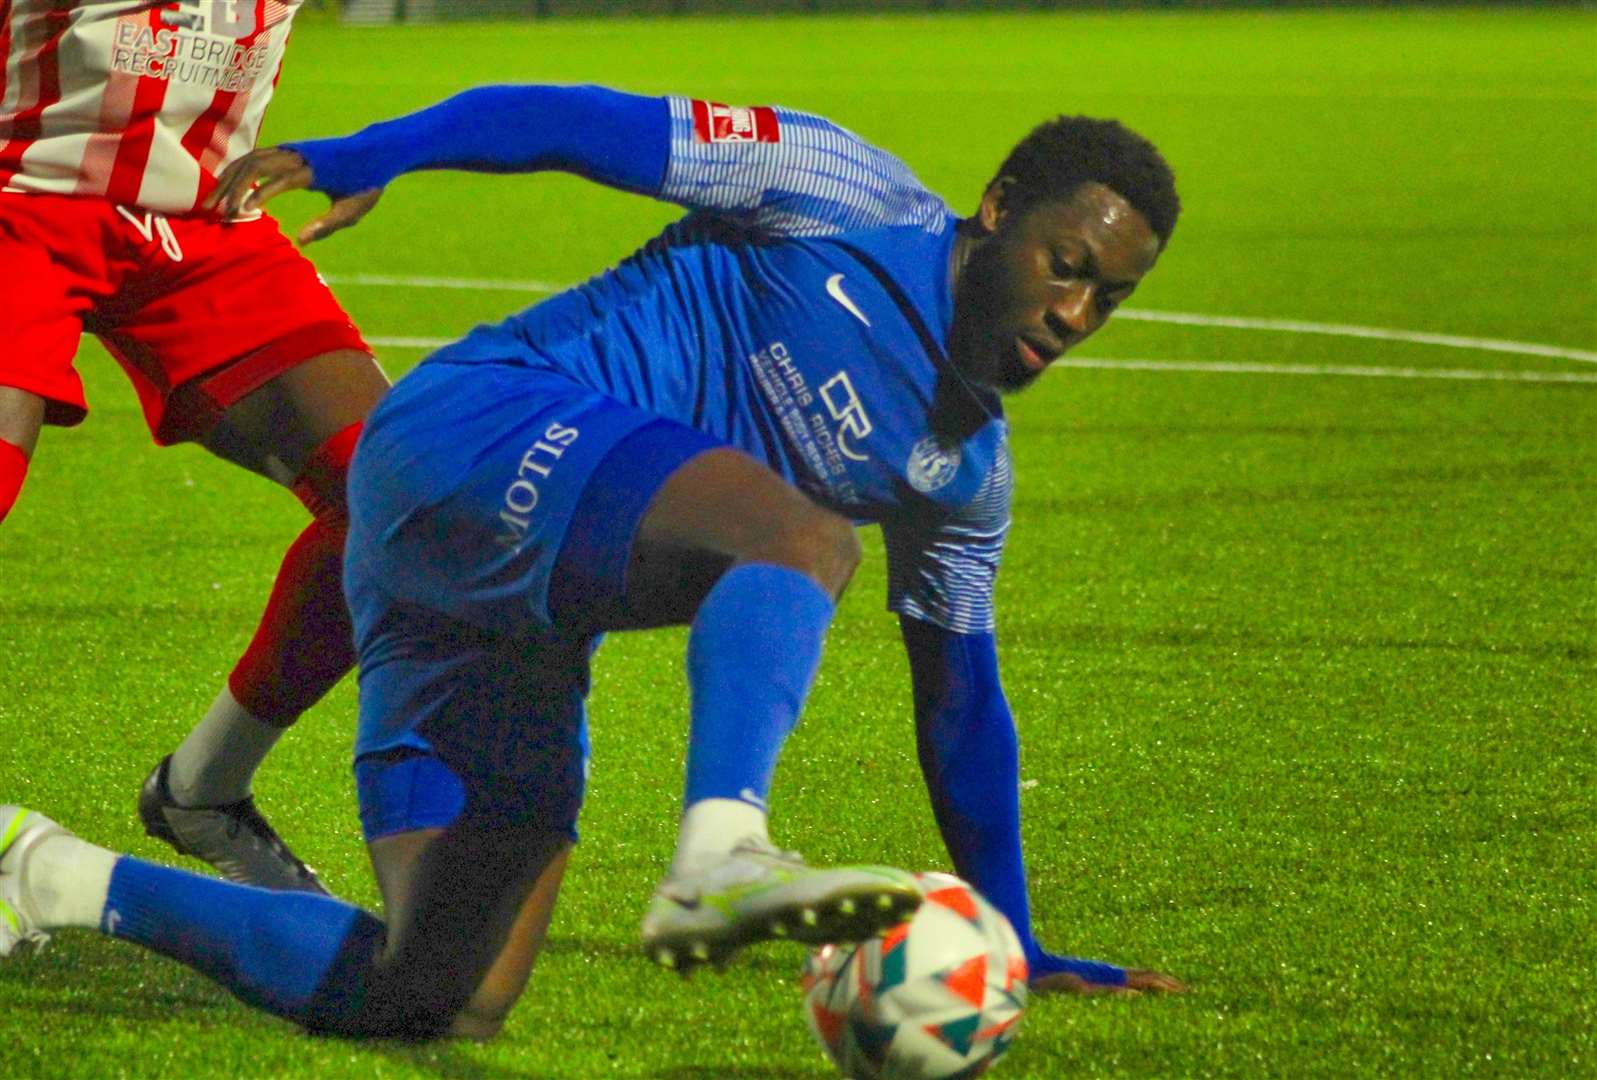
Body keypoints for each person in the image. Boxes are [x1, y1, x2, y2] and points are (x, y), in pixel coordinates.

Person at [1, 82, 1185, 1042]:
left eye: (1110, 299)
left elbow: (962, 705)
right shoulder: (842, 187)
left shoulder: (961, 474)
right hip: (474, 428)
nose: (1075, 313)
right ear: (998, 208)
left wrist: (1013, 940)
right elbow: (582, 123)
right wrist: (382, 148)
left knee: (444, 997)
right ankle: (724, 848)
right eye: (1066, 264)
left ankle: (49, 874)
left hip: (496, 596)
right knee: (803, 539)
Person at [0, 0, 390, 893]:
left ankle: (202, 792)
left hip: (207, 221)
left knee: (400, 499)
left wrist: (376, 149)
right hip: (17, 200)